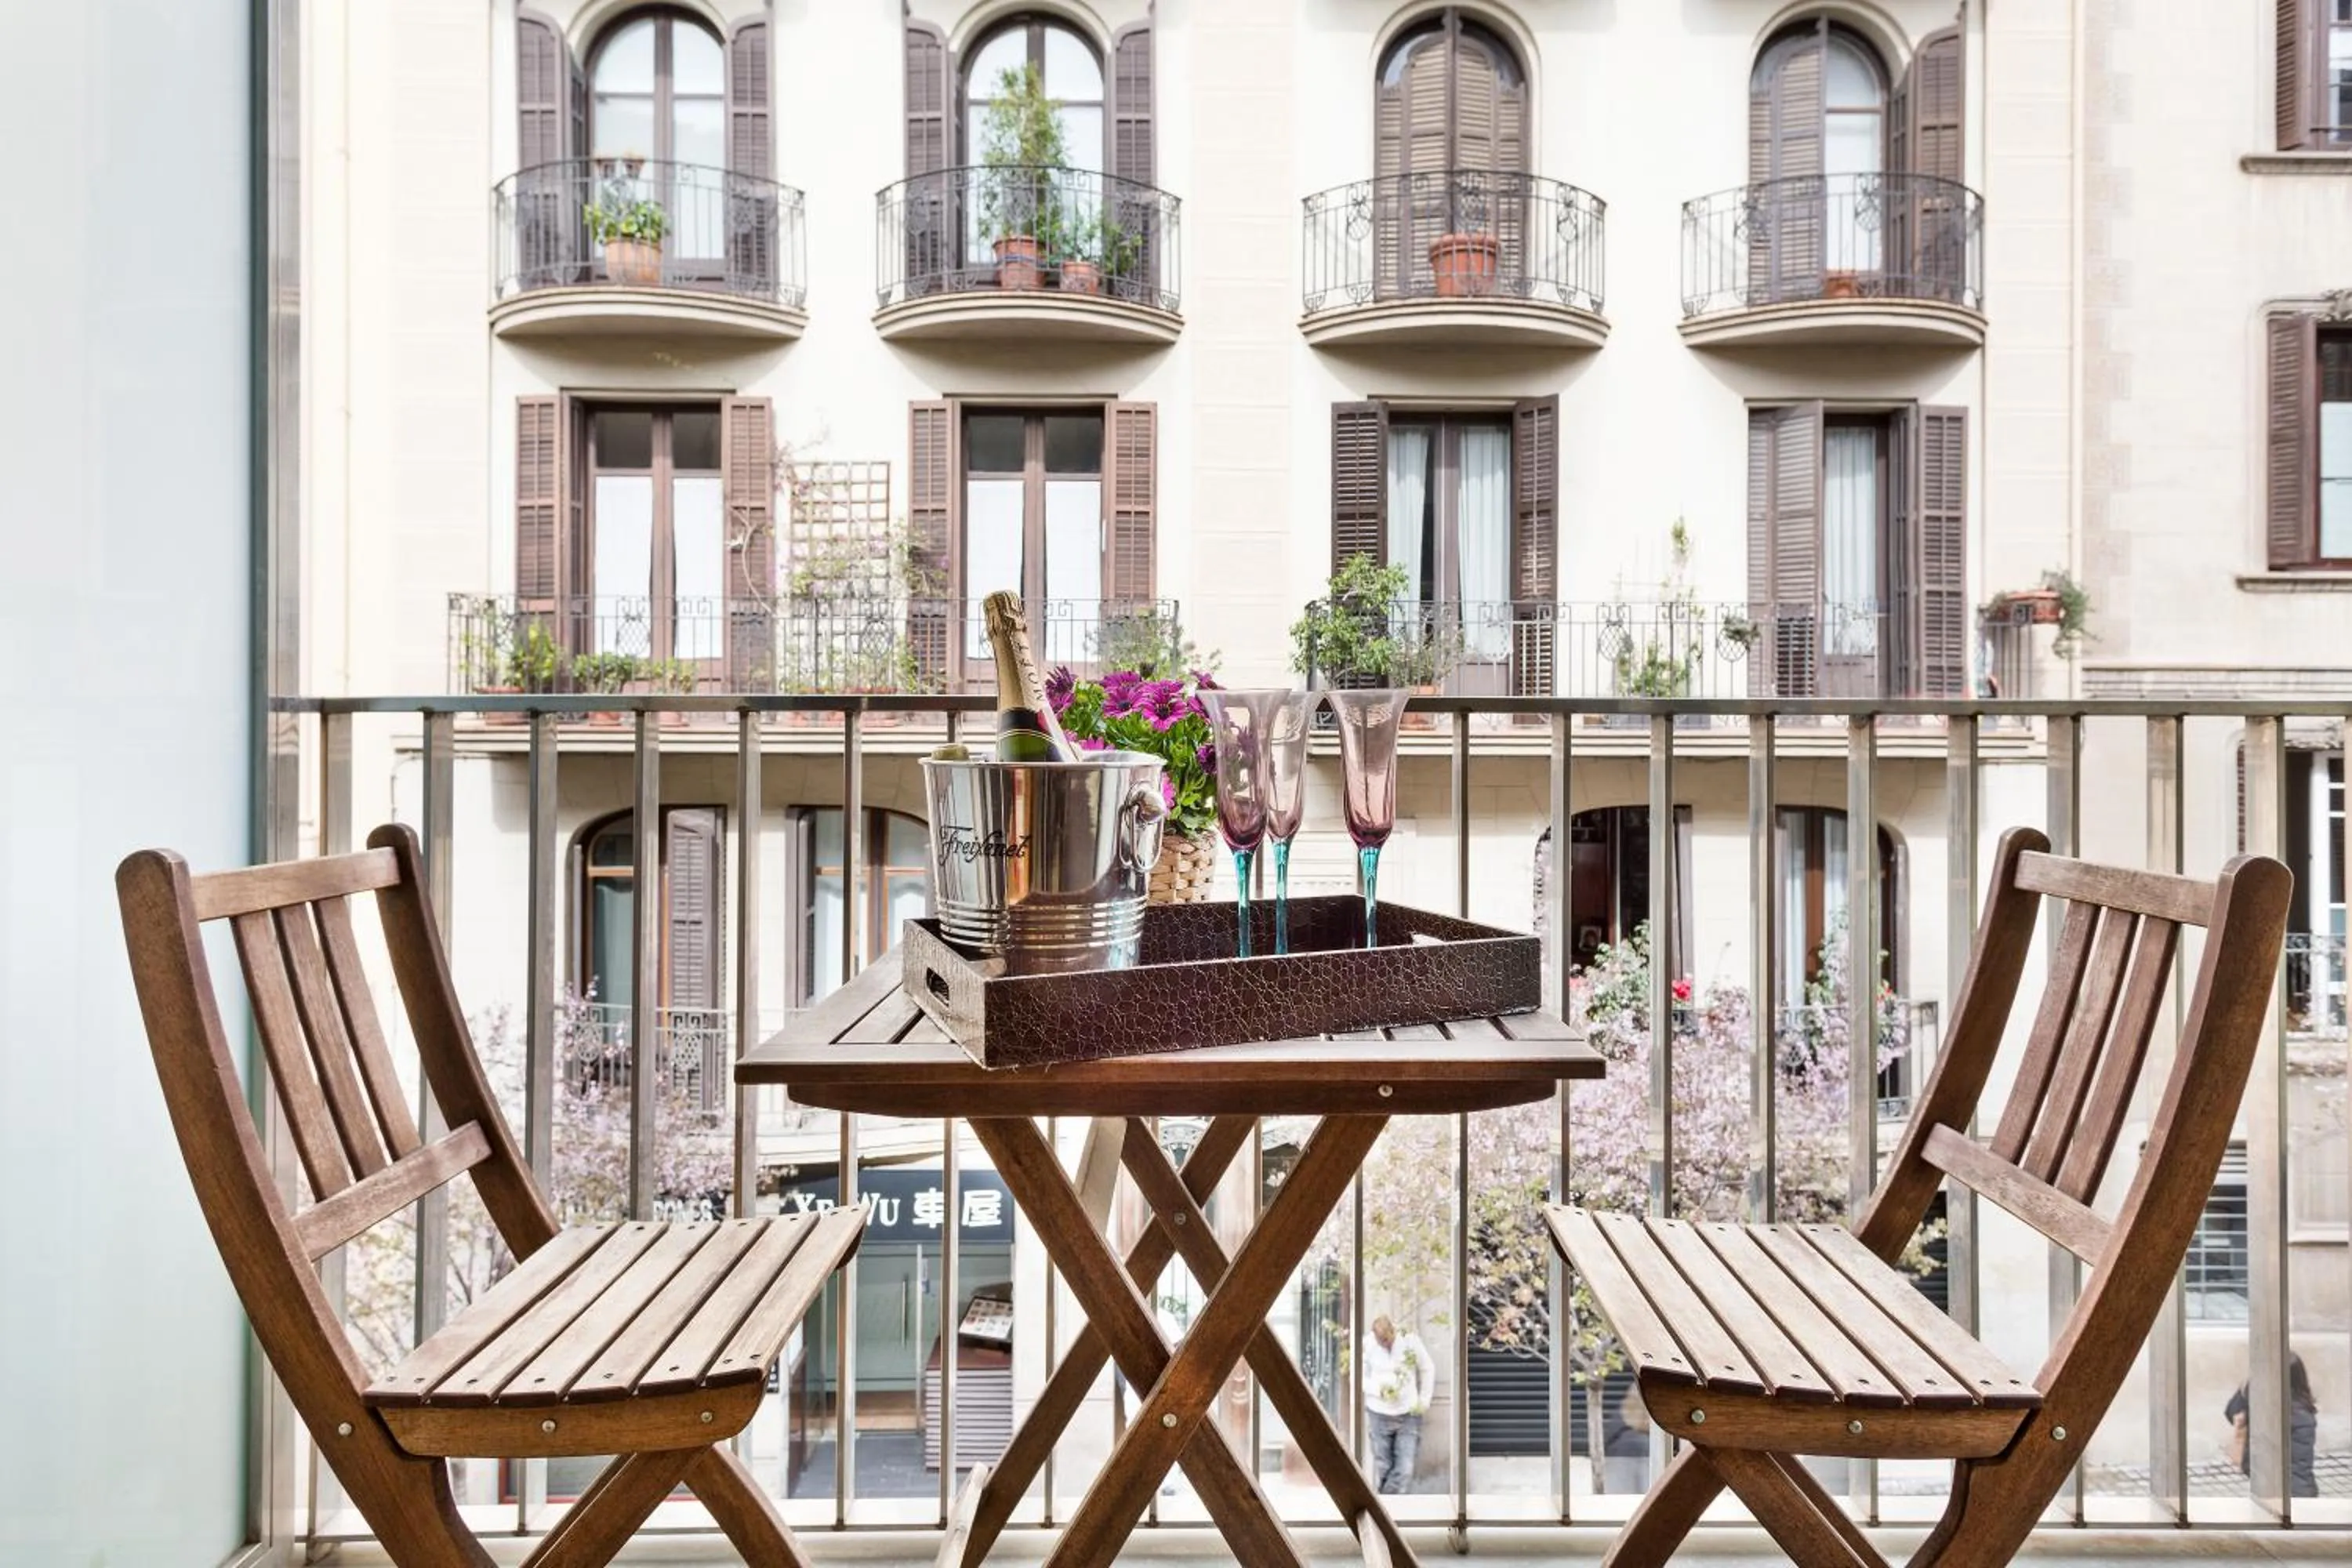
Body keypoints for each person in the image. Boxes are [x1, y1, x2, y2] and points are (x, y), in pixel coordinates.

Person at [2223, 1352, 2319, 1499]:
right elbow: (2232, 1412)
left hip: (2290, 1494)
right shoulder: (2300, 1409)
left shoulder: (2287, 1414)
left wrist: (2249, 1384)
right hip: (2293, 1490)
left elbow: (2234, 1413)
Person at [1362, 1314, 1436, 1495]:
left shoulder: (1409, 1340)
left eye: (1388, 1340)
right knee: (1383, 1467)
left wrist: (1424, 1400)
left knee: (1405, 1469)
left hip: (1408, 1413)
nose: (1385, 1344)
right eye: (1381, 1341)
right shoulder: (1367, 1344)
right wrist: (1379, 1390)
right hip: (1378, 1412)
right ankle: (1389, 1511)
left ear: (1393, 1331)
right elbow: (1359, 1377)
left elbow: (1427, 1368)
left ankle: (1383, 1508)